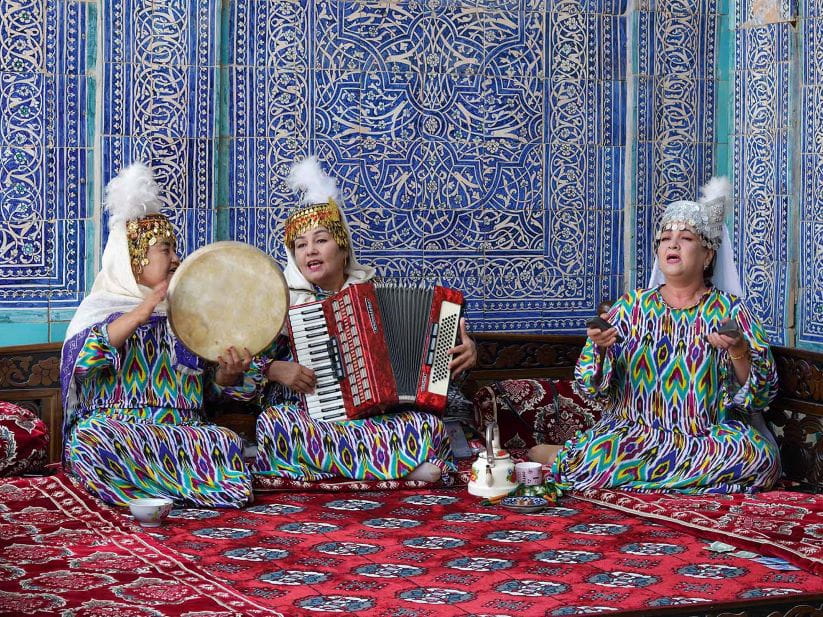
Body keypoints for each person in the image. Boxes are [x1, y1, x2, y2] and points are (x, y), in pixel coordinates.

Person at [222, 156, 477, 483]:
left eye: (321, 240)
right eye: (300, 245)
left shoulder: (378, 292)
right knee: (275, 424)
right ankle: (399, 466)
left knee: (427, 426)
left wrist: (466, 350)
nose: (310, 251)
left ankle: (337, 468)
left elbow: (437, 362)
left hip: (377, 422)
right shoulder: (279, 304)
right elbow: (237, 376)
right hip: (310, 419)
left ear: (343, 250)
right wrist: (272, 369)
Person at [535, 177, 780, 494]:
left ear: (707, 255)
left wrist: (738, 350)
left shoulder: (731, 311)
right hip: (635, 436)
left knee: (760, 458)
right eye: (666, 238)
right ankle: (597, 463)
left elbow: (762, 397)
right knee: (598, 454)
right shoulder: (629, 308)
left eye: (686, 238)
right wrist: (600, 351)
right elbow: (592, 390)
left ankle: (632, 475)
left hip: (704, 438)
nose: (673, 244)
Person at [60, 163, 253, 508]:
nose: (177, 259)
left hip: (181, 434)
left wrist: (227, 374)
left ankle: (152, 493)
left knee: (224, 442)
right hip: (120, 432)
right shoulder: (100, 311)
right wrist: (141, 312)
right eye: (165, 250)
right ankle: (169, 492)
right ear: (133, 259)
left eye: (175, 250)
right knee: (88, 441)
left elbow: (209, 392)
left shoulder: (188, 315)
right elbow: (84, 365)